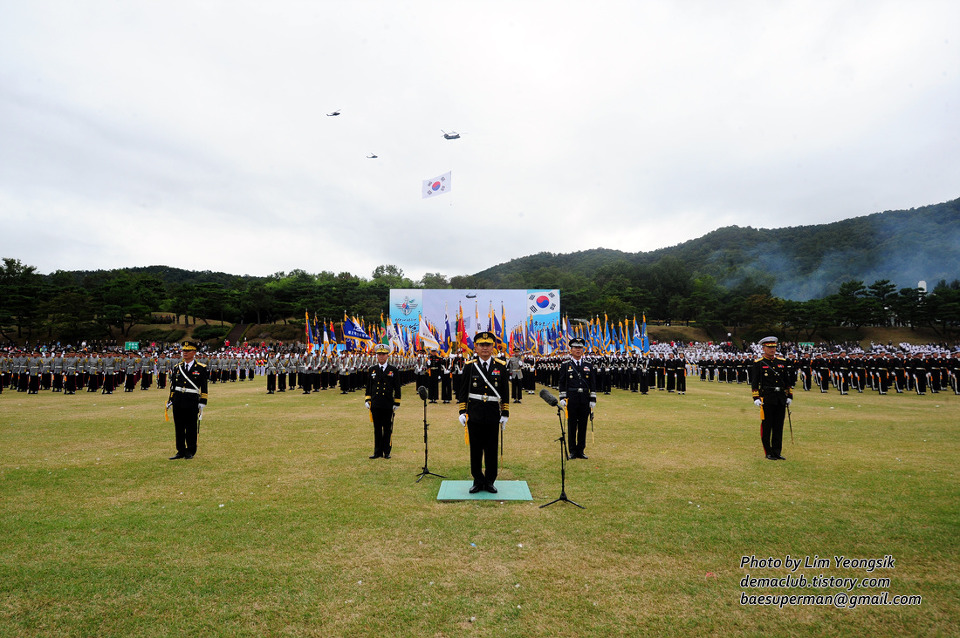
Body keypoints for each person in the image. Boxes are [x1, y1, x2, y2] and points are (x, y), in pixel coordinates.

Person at [457, 331, 509, 493]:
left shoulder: (500, 366)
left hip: (493, 414)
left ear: (493, 347)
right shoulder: (469, 366)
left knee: (492, 449)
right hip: (475, 413)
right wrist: (462, 411)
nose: (485, 348)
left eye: (488, 345)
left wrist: (505, 413)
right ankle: (478, 480)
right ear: (476, 347)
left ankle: (490, 481)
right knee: (476, 449)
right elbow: (463, 390)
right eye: (481, 345)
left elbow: (505, 391)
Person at [751, 336, 793, 461]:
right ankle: (768, 452)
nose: (772, 350)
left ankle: (777, 451)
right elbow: (755, 382)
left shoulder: (782, 361)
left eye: (774, 347)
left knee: (778, 426)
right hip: (767, 397)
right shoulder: (758, 363)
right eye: (769, 347)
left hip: (780, 397)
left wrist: (789, 395)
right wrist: (756, 397)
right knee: (767, 426)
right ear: (763, 348)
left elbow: (787, 380)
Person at [166, 341, 209, 460]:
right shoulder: (177, 367)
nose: (185, 353)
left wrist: (203, 401)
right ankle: (180, 450)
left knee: (191, 427)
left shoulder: (201, 368)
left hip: (191, 400)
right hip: (178, 400)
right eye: (183, 351)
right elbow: (173, 386)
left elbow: (204, 386)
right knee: (179, 427)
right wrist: (170, 399)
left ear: (194, 352)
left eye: (188, 351)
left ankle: (190, 450)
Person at [558, 338, 597, 459]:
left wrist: (593, 399)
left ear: (583, 349)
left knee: (583, 425)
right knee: (572, 425)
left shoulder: (588, 365)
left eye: (580, 348)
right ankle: (572, 451)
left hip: (584, 398)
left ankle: (581, 450)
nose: (578, 350)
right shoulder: (565, 365)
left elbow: (593, 383)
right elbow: (562, 382)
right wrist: (563, 397)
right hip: (572, 398)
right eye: (575, 348)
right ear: (571, 349)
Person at [364, 344, 401, 459]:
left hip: (387, 403)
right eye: (379, 354)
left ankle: (387, 451)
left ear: (387, 356)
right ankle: (377, 452)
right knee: (377, 428)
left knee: (387, 428)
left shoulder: (393, 370)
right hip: (375, 404)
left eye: (383, 354)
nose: (381, 357)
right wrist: (367, 399)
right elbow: (369, 386)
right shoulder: (372, 369)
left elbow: (397, 387)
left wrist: (397, 402)